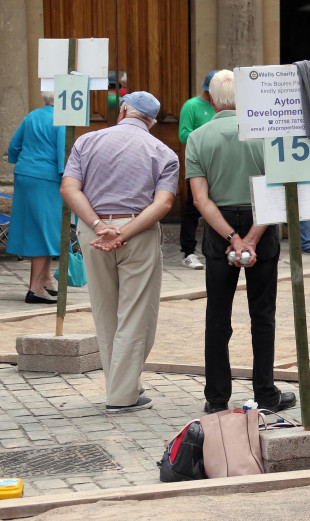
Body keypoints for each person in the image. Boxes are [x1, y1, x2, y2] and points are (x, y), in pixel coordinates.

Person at [186, 70, 296, 414]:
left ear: (213, 99)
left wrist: (232, 239)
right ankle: (265, 391)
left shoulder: (199, 137)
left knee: (217, 316)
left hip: (220, 226)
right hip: (259, 219)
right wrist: (250, 238)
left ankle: (216, 397)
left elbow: (201, 201)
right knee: (263, 314)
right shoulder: (266, 136)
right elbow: (277, 189)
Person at [60, 92, 177, 413]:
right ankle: (121, 396)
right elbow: (164, 203)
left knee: (105, 312)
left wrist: (99, 226)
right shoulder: (163, 151)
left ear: (124, 111)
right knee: (136, 316)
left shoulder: (86, 142)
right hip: (137, 232)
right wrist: (123, 232)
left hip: (92, 230)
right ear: (152, 122)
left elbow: (69, 188)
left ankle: (123, 385)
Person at [6, 91, 66, 304]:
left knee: (37, 227)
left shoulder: (31, 116)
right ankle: (35, 288)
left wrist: (24, 161)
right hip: (47, 177)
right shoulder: (61, 120)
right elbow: (62, 155)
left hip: (25, 173)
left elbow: (13, 147)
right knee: (46, 230)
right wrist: (67, 178)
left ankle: (46, 280)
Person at [177, 70, 218, 270]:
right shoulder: (192, 106)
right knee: (193, 209)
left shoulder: (219, 106)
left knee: (219, 207)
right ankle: (188, 252)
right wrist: (210, 135)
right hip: (199, 166)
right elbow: (184, 135)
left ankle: (216, 248)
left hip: (219, 165)